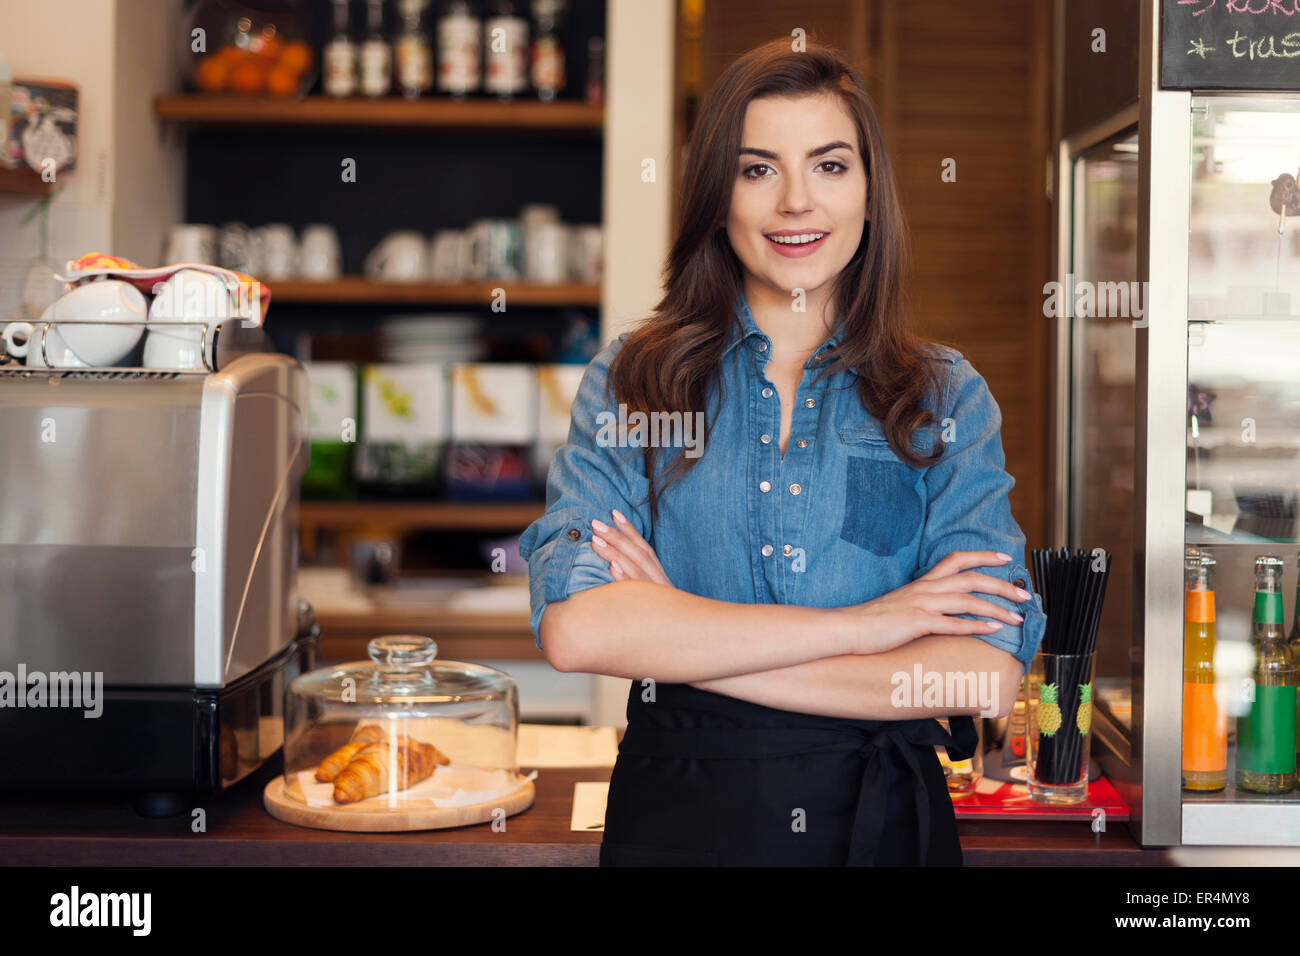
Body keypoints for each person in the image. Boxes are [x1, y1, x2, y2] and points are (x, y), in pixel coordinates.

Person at [518, 36, 1047, 866]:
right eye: (758, 169)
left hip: (883, 827)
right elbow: (579, 632)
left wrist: (685, 647)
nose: (797, 201)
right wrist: (874, 627)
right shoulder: (636, 381)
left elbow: (977, 679)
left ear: (871, 196)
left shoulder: (945, 397)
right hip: (680, 822)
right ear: (717, 200)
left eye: (830, 166)